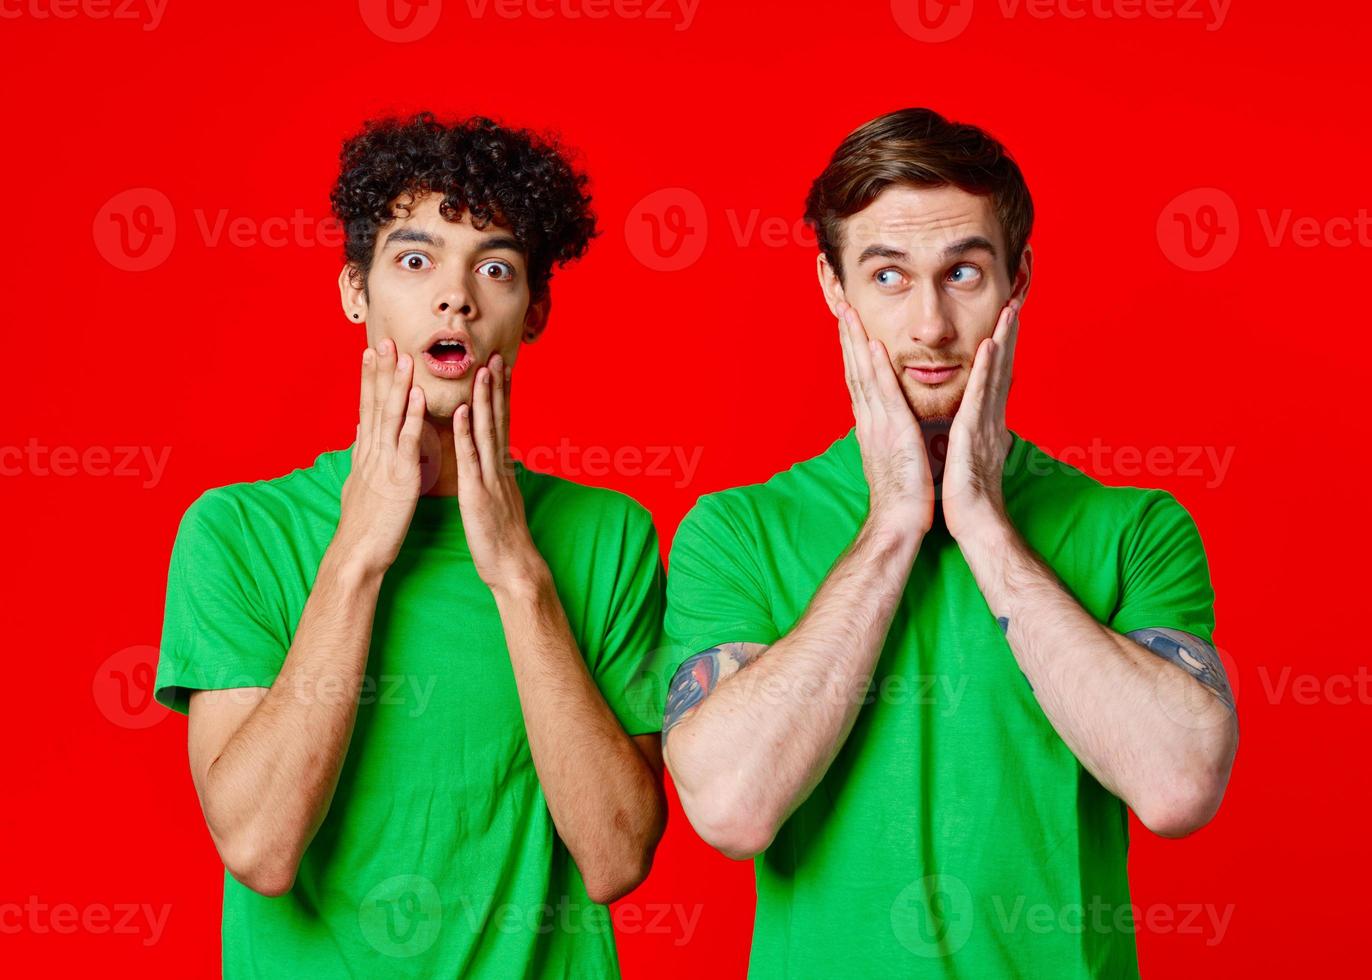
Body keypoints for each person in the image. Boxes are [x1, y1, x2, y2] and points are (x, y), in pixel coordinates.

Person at [660, 107, 1239, 978]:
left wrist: (979, 518)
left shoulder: (1135, 529)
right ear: (833, 287)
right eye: (888, 276)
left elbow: (1178, 788)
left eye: (962, 272)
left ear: (1019, 279)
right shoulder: (735, 530)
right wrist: (896, 519)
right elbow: (734, 810)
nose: (930, 325)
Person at [156, 111, 667, 978]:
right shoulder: (236, 531)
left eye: (495, 268)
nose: (455, 297)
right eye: (416, 259)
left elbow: (618, 857)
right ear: (356, 290)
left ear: (534, 309)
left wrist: (518, 577)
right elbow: (259, 846)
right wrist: (356, 554)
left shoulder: (609, 535)